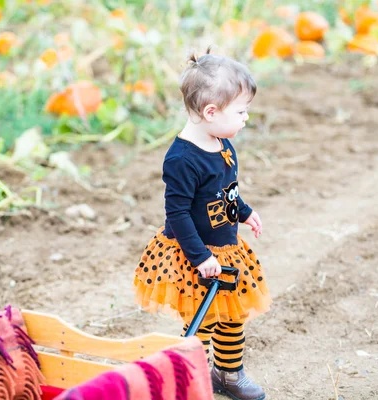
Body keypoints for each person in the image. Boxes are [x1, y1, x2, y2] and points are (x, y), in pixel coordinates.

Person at [133, 47, 272, 400]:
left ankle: (229, 374)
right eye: (241, 112)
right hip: (194, 253)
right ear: (211, 112)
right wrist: (200, 258)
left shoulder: (221, 142)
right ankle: (192, 380)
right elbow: (177, 215)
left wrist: (243, 211)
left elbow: (224, 191)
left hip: (226, 248)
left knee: (233, 316)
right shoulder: (181, 159)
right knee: (203, 322)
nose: (246, 118)